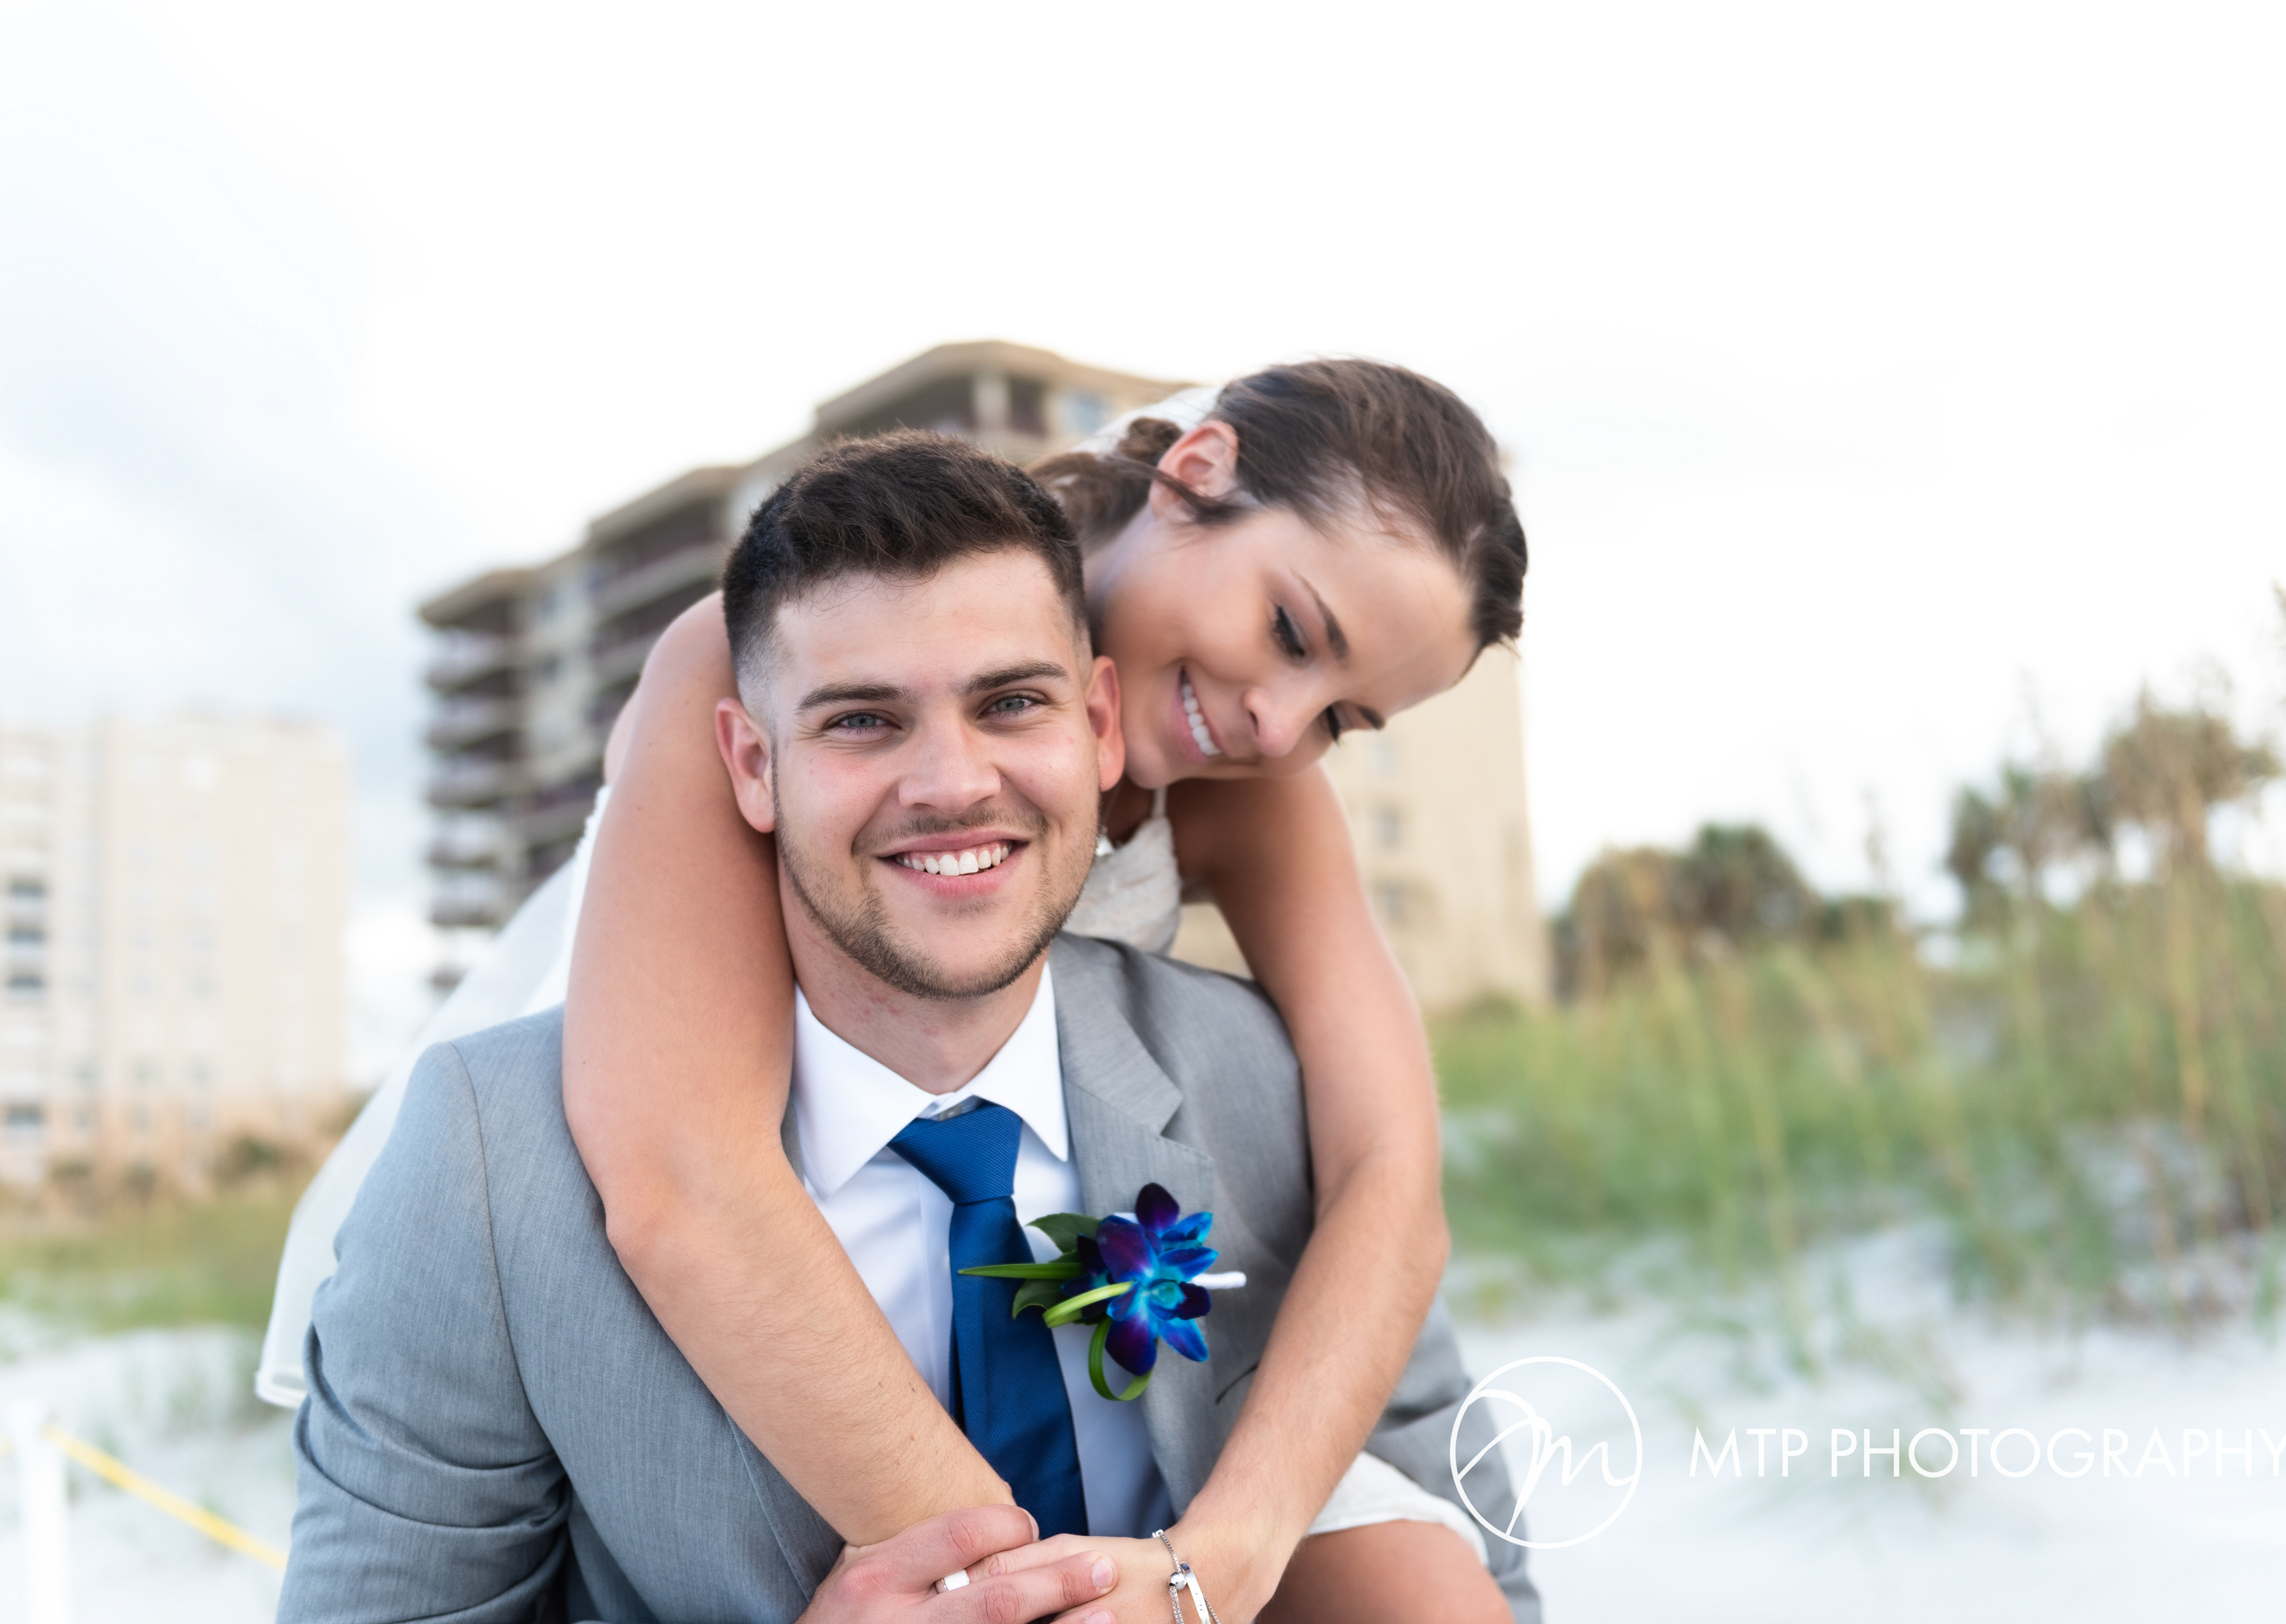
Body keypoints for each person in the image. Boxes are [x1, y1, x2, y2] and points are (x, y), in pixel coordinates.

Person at [276, 433, 1529, 1623]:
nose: (1278, 723)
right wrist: (1013, 1586)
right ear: (752, 762)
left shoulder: (1247, 967)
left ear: (1093, 725)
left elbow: (1389, 1177)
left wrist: (1222, 1560)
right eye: (1291, 629)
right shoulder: (774, 635)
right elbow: (679, 1178)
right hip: (660, 1131)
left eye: (1342, 717)